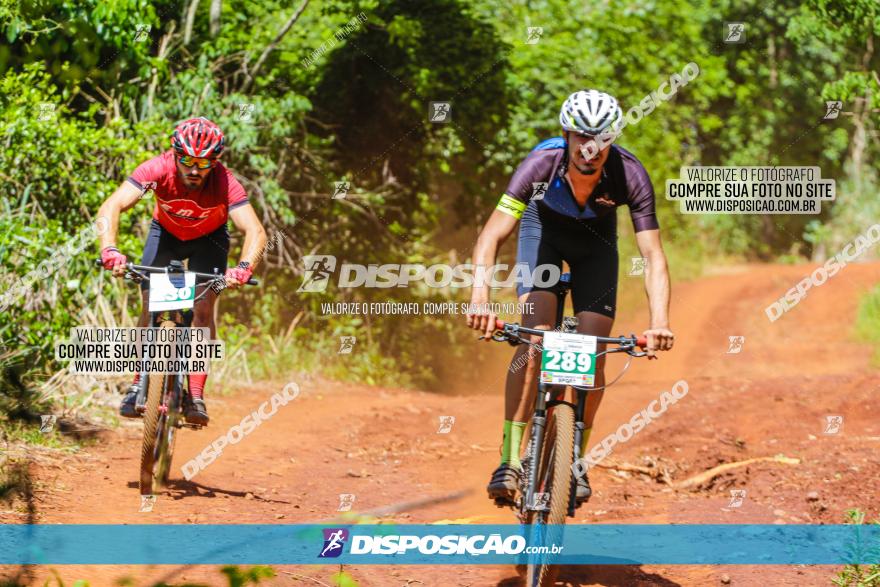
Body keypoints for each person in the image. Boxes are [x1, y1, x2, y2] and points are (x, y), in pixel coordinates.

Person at [466, 90, 675, 505]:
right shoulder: (541, 164)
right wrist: (480, 299)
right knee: (535, 338)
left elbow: (652, 256)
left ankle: (575, 461)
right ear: (566, 134)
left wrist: (660, 322)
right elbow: (491, 235)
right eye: (582, 137)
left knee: (594, 347)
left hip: (596, 246)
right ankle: (509, 459)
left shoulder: (629, 174)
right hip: (540, 234)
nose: (590, 148)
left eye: (601, 138)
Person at [97, 117, 267, 425]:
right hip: (166, 235)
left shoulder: (226, 183)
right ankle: (138, 384)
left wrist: (243, 268)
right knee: (150, 306)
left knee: (202, 311)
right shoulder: (157, 169)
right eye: (186, 160)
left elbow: (256, 231)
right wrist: (110, 248)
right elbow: (113, 205)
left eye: (203, 163)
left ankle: (196, 395)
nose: (193, 169)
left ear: (215, 162)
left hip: (210, 241)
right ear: (174, 153)